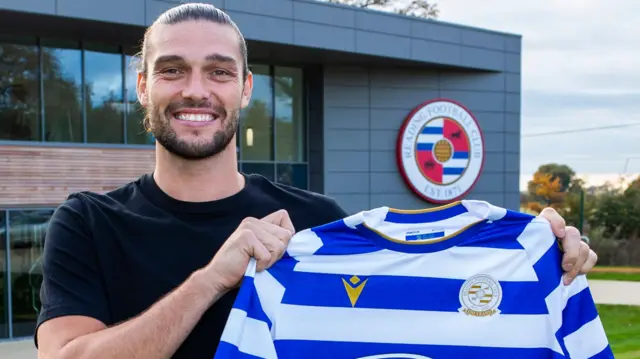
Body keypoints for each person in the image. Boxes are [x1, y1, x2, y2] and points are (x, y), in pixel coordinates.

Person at [34, 4, 598, 359]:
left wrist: (539, 251)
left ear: (247, 87)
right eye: (172, 69)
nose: (196, 90)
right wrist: (211, 280)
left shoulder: (316, 222)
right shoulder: (88, 221)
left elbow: (416, 308)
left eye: (220, 71)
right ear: (142, 85)